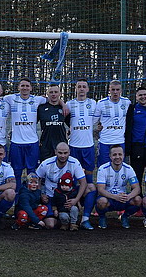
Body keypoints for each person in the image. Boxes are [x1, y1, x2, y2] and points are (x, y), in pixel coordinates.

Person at [3, 78, 48, 192]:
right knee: (16, 171)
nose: (25, 88)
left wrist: (63, 104)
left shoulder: (37, 99)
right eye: (22, 86)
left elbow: (53, 99)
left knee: (31, 172)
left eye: (27, 86)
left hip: (32, 143)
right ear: (18, 87)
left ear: (31, 88)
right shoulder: (11, 98)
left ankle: (30, 195)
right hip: (16, 143)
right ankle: (17, 195)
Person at [66, 79, 99, 229]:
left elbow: (99, 119)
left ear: (87, 89)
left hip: (88, 147)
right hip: (73, 147)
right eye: (79, 86)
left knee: (89, 182)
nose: (81, 89)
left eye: (84, 86)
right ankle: (72, 210)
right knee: (73, 180)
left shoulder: (93, 103)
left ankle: (86, 214)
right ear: (75, 89)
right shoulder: (69, 104)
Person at [35, 142, 88, 229]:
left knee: (90, 188)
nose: (63, 156)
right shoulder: (46, 164)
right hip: (51, 197)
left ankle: (85, 218)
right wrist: (41, 194)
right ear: (55, 152)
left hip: (68, 197)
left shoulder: (74, 163)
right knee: (50, 225)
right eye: (60, 153)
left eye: (65, 153)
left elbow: (83, 182)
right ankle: (61, 218)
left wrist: (76, 199)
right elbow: (36, 179)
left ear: (69, 152)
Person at [95, 145, 142, 229]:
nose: (117, 157)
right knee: (101, 201)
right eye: (114, 155)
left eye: (120, 154)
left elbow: (137, 188)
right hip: (109, 198)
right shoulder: (103, 169)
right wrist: (115, 197)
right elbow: (100, 190)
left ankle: (125, 216)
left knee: (138, 200)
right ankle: (102, 217)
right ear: (110, 156)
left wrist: (128, 197)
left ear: (123, 155)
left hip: (123, 198)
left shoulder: (128, 168)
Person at [93, 80, 131, 167]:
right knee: (103, 167)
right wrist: (97, 127)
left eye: (117, 90)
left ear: (121, 90)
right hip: (105, 141)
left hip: (120, 141)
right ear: (109, 90)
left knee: (120, 168)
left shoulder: (127, 102)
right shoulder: (101, 103)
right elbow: (93, 121)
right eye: (113, 90)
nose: (115, 92)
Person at [38, 84, 67, 161]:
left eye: (56, 92)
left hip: (61, 146)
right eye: (51, 92)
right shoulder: (41, 108)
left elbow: (72, 124)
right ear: (47, 94)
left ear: (60, 93)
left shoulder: (64, 108)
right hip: (46, 146)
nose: (53, 94)